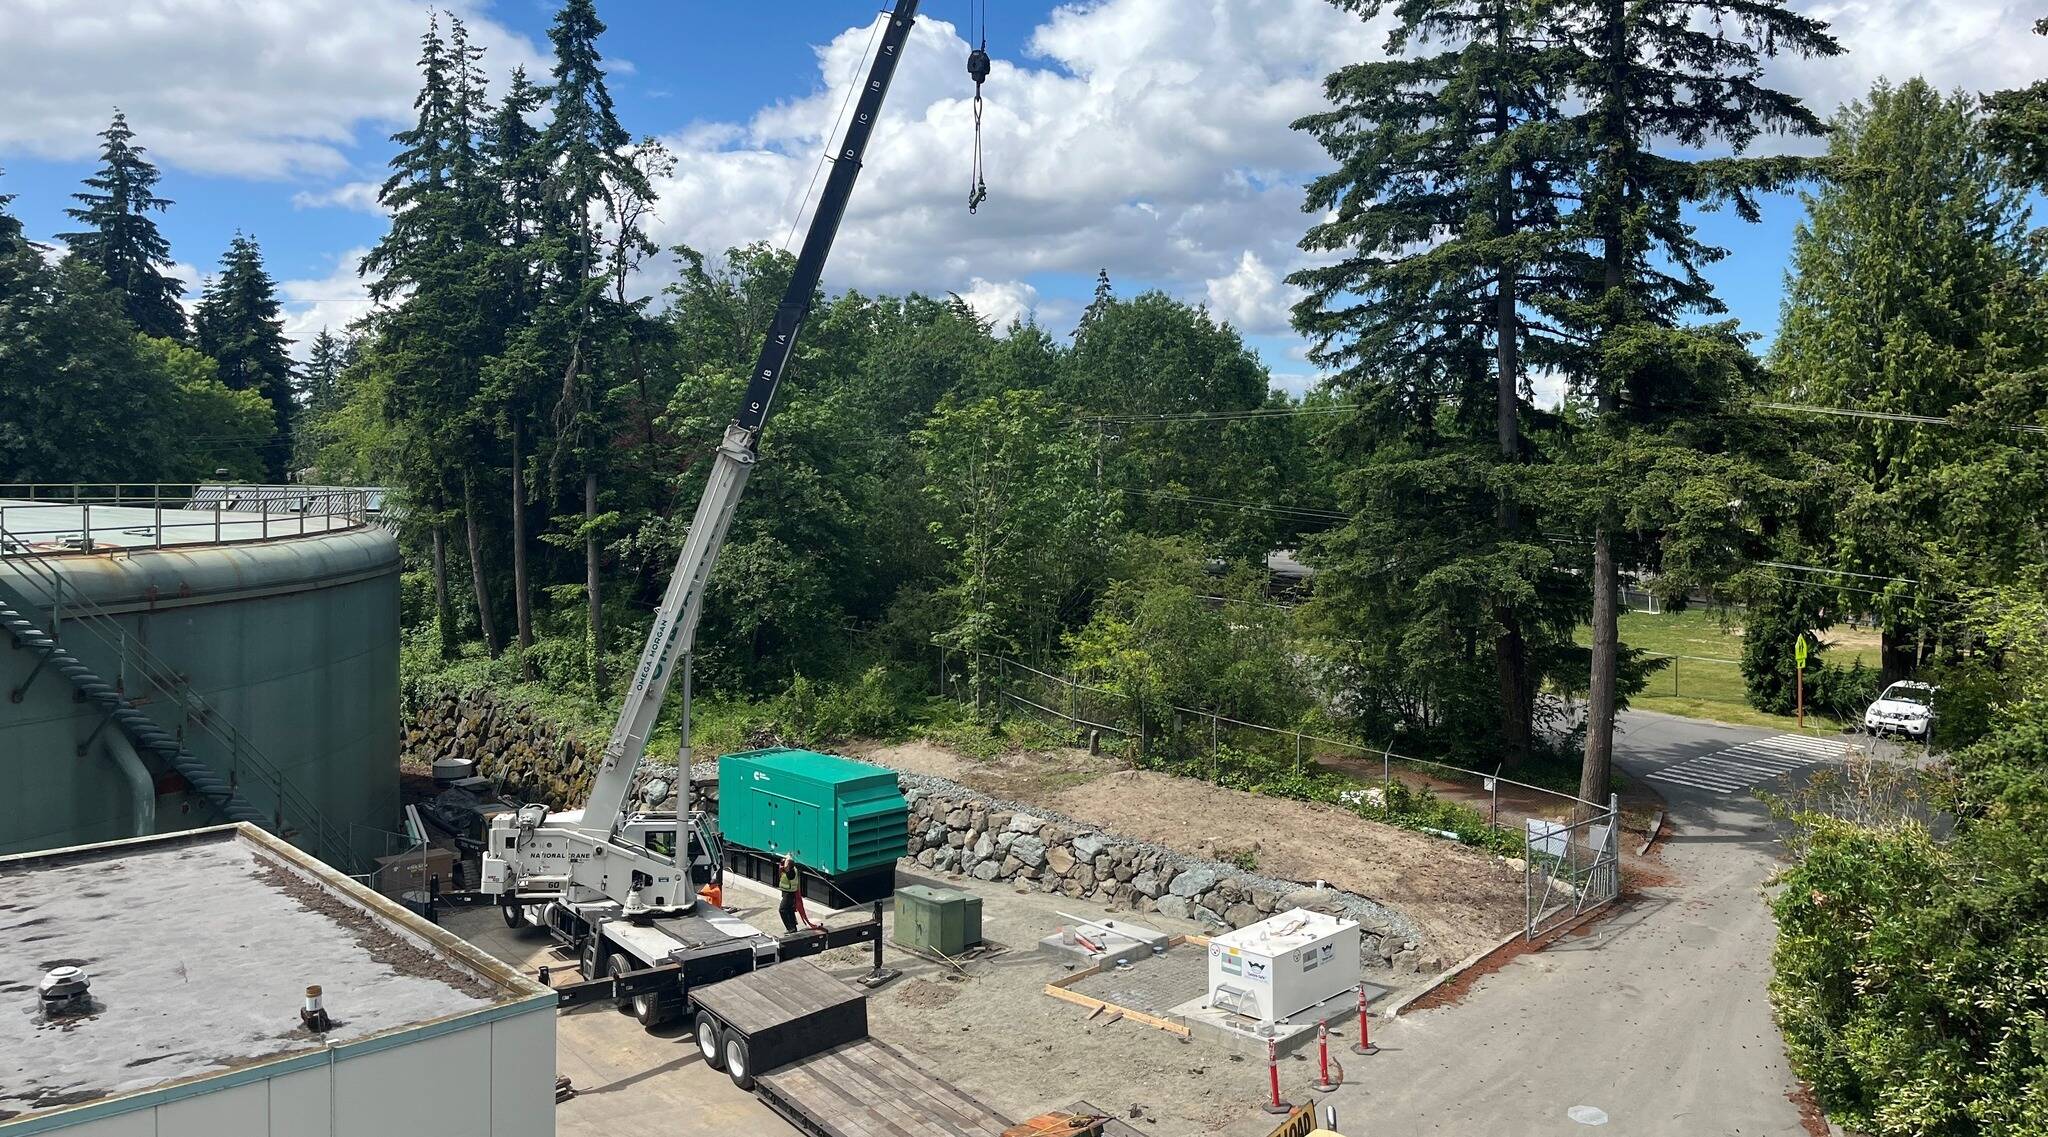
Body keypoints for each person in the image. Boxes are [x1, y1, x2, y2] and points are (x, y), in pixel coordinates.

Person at [777, 854, 800, 933]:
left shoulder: (791, 871)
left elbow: (788, 872)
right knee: (789, 910)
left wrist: (786, 862)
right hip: (785, 892)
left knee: (782, 909)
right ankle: (793, 927)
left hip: (790, 893)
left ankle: (790, 928)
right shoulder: (785, 870)